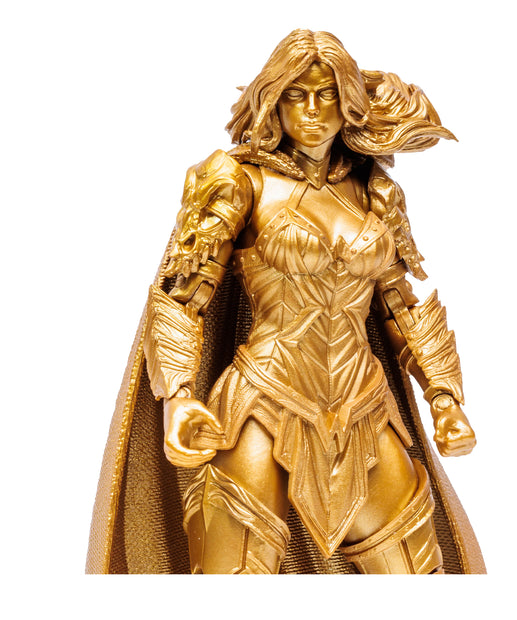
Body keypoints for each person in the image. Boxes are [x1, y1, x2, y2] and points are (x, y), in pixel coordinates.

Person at [87, 29, 485, 575]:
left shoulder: (375, 190)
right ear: (273, 101)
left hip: (362, 403)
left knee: (417, 576)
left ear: (349, 101)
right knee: (235, 574)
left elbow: (401, 306)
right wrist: (177, 397)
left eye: (327, 94)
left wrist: (444, 398)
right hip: (263, 397)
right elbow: (184, 298)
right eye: (296, 95)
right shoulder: (238, 182)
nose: (313, 111)